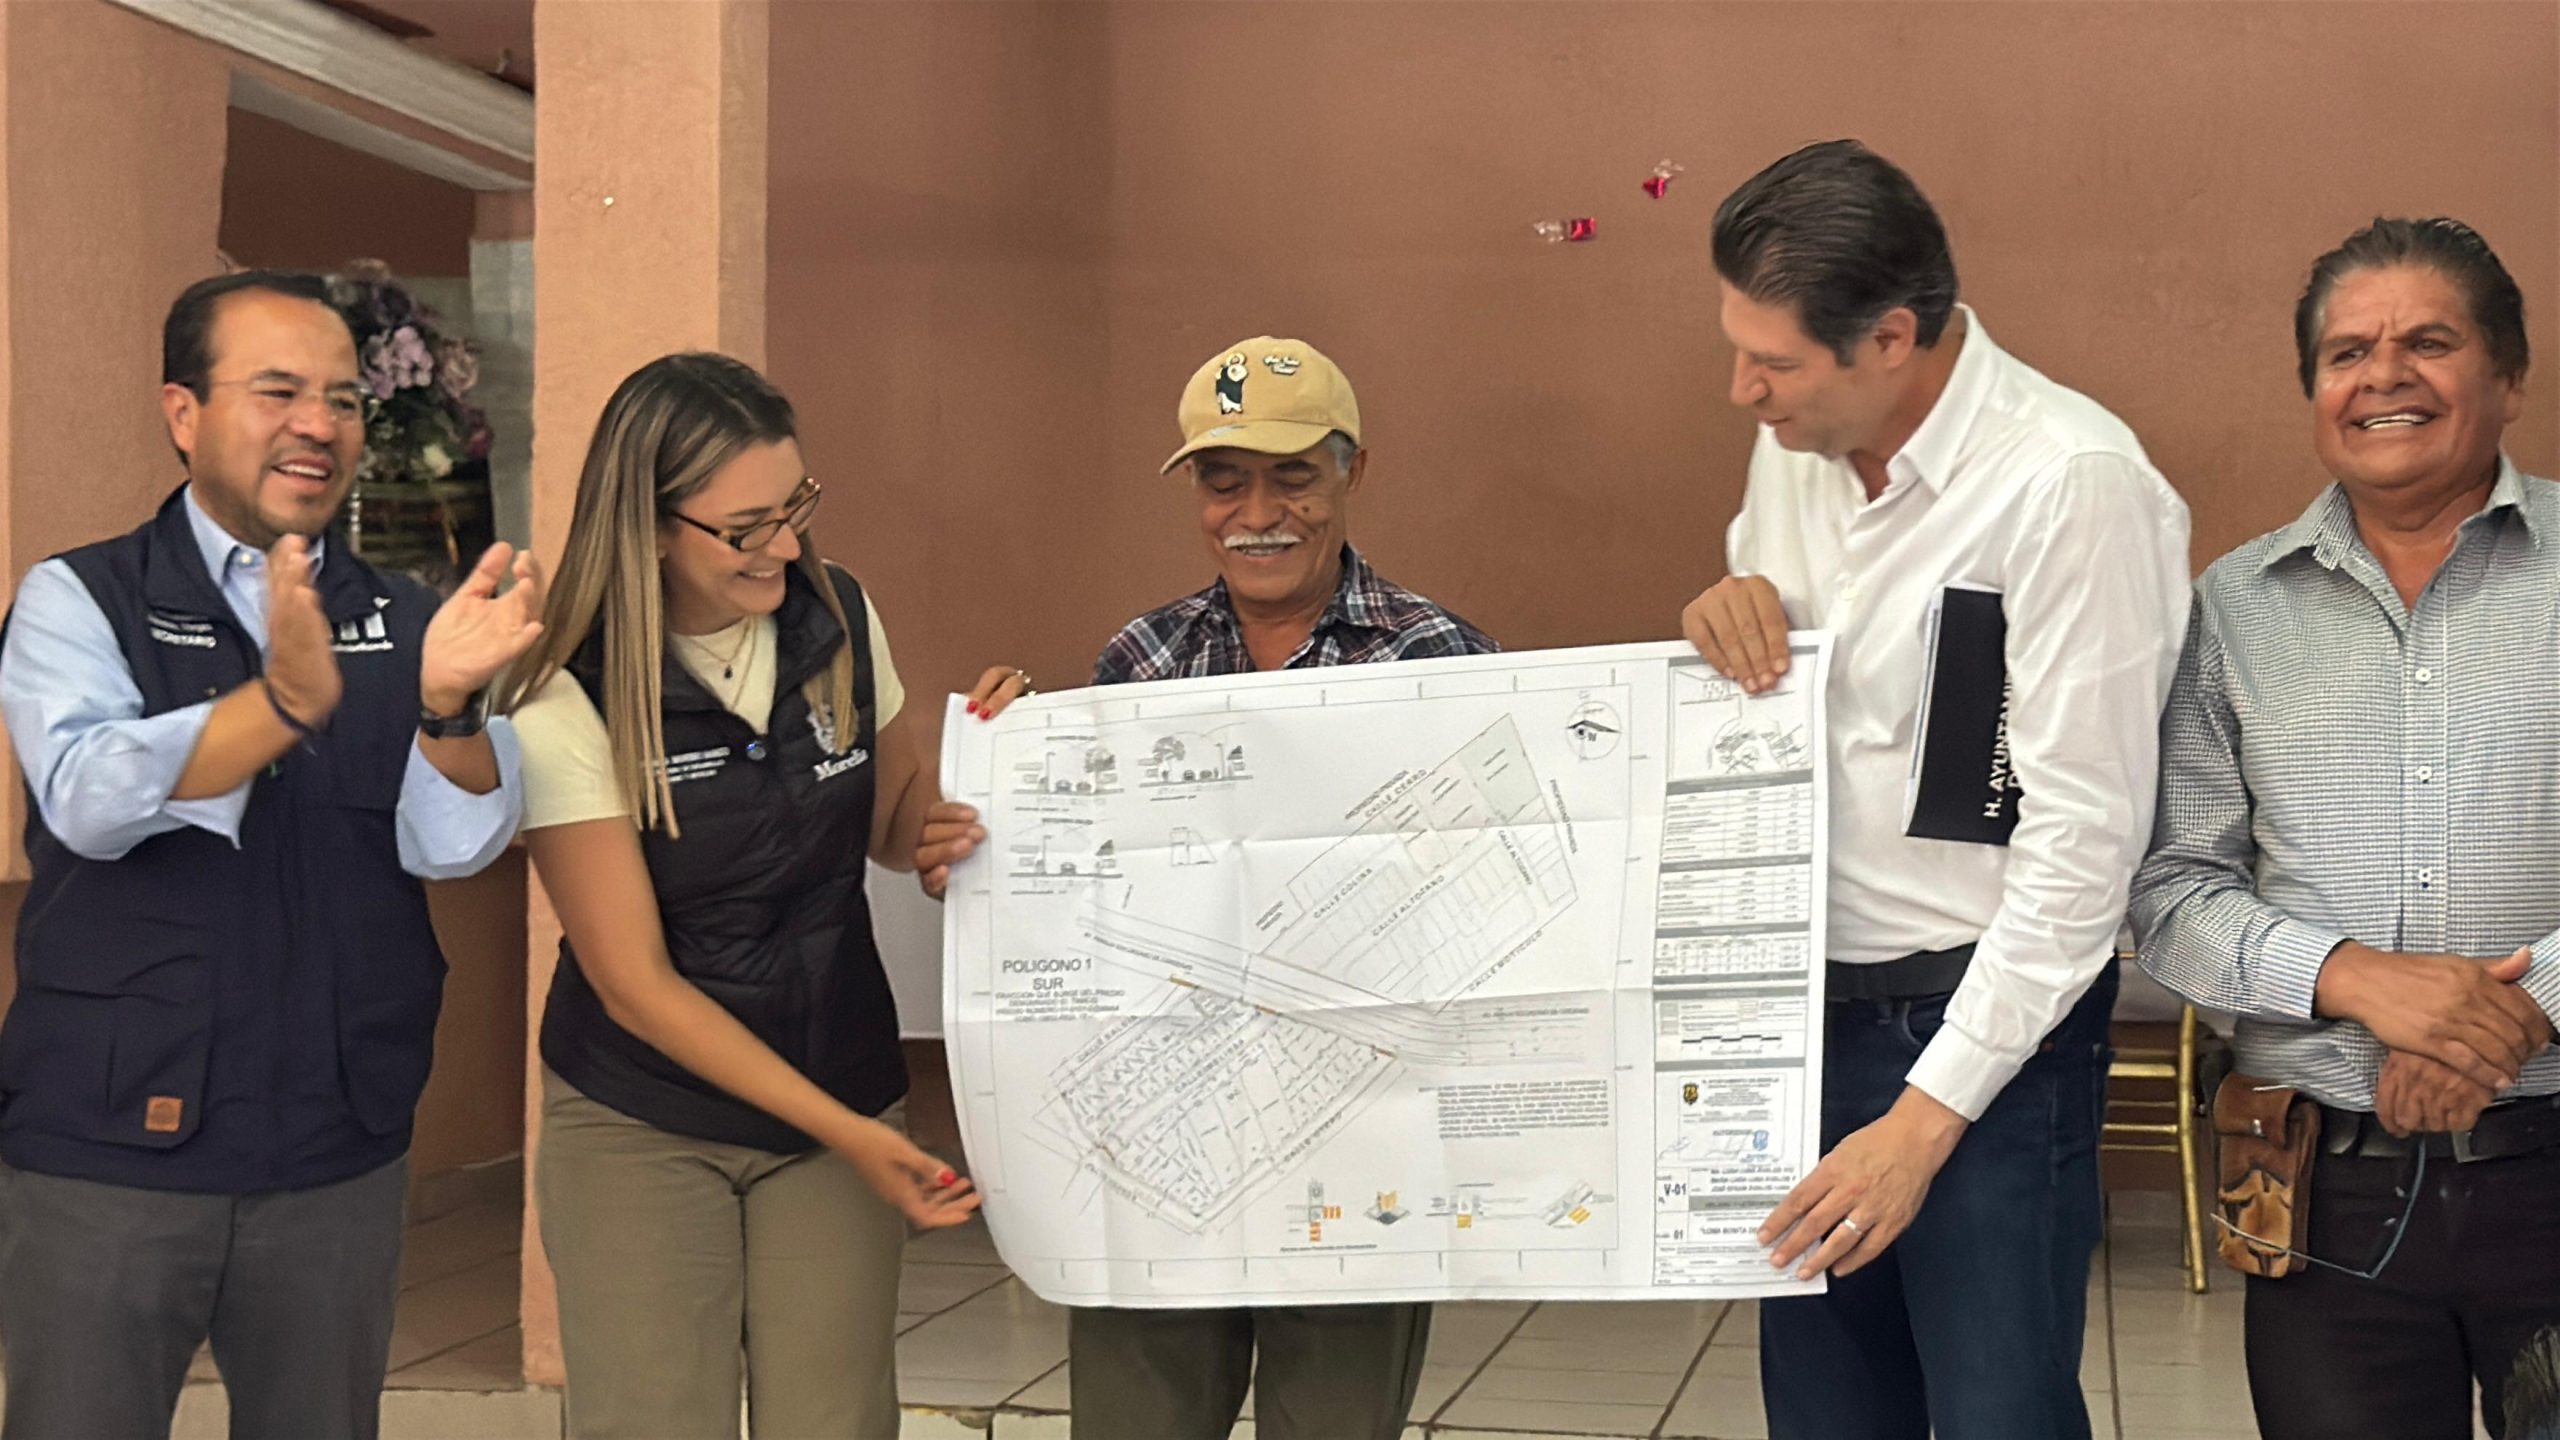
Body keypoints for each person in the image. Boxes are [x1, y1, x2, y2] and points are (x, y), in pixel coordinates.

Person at [1677, 142, 2190, 1439]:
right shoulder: (1794, 448)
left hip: (1986, 1037)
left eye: (1774, 362)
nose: (1743, 390)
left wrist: (1923, 1122)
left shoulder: (2068, 485)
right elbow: (1778, 667)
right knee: (1827, 1414)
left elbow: (2082, 849)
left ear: (1892, 337)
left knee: (1996, 1414)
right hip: (1802, 1021)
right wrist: (1728, 608)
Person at [918, 336, 1494, 1440]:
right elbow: (1087, 901)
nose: (1257, 513)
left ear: (1353, 472)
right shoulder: (1141, 660)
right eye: (1224, 482)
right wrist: (993, 846)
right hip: (1158, 1139)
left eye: (1293, 476)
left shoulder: (1439, 660)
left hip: (1357, 1140)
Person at [0, 269, 543, 1439]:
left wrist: (446, 706)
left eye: (342, 399)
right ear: (183, 412)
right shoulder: (80, 596)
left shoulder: (405, 614)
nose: (318, 425)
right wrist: (279, 705)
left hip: (331, 1144)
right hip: (110, 1146)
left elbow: (454, 843)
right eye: (279, 391)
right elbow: (88, 797)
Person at [493, 352, 1008, 1439]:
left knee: (836, 1417)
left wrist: (993, 776)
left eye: (794, 507)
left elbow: (891, 818)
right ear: (649, 526)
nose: (782, 546)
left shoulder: (837, 611)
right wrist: (851, 1135)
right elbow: (634, 985)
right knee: (652, 1418)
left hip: (837, 1072)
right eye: (745, 528)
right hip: (646, 1113)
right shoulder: (562, 688)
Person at [2131, 217, 2560, 1440]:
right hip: (2326, 1202)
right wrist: (2362, 983)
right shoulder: (2234, 607)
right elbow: (2172, 891)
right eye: (2346, 353)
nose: (2383, 376)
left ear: (2508, 374)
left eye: (2429, 342)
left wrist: (2514, 1015)